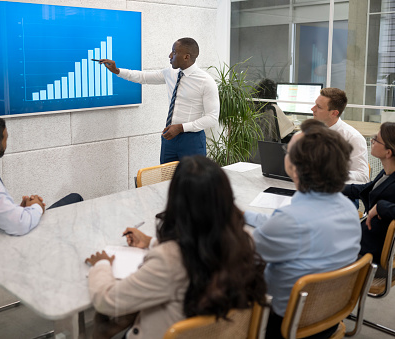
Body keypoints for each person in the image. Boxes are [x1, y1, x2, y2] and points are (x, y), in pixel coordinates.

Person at [85, 156, 267, 339]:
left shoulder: (167, 260)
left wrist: (101, 265)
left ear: (176, 202)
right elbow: (198, 249)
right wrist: (150, 242)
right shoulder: (244, 240)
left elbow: (107, 300)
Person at [244, 119, 361, 339]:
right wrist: (243, 216)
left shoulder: (290, 221)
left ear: (296, 167)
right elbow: (280, 227)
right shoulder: (347, 209)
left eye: (288, 150)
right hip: (328, 318)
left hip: (283, 326)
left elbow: (241, 257)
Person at [0, 117, 83, 236]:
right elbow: (20, 225)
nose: (7, 143)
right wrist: (36, 206)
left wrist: (19, 209)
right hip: (8, 239)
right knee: (75, 198)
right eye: (6, 139)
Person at [98, 37, 219, 164]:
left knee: (192, 183)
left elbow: (212, 117)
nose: (170, 55)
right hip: (169, 137)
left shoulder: (206, 82)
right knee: (166, 181)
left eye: (174, 52)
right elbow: (143, 77)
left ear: (186, 57)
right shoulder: (170, 73)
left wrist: (181, 128)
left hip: (192, 140)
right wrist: (117, 71)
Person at [343, 122, 395, 264]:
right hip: (365, 244)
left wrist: (381, 207)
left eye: (376, 140)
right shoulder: (387, 173)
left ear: (388, 152)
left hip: (369, 258)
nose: (372, 141)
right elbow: (366, 189)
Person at [311, 87, 369, 183]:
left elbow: (363, 177)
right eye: (315, 104)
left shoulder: (353, 138)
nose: (312, 109)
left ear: (334, 113)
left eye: (319, 107)